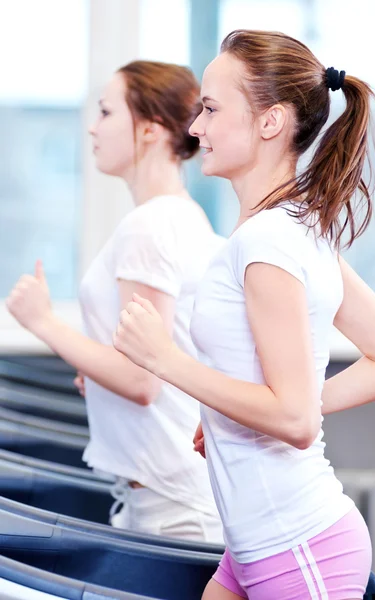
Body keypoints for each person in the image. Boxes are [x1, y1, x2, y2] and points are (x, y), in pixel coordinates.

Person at [112, 30, 375, 599]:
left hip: (297, 546)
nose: (196, 128)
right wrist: (237, 410)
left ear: (270, 122)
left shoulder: (269, 242)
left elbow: (294, 421)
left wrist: (165, 360)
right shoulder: (291, 228)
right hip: (253, 547)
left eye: (212, 109)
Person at [6, 59, 224, 543]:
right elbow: (153, 366)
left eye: (106, 112)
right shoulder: (179, 218)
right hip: (166, 499)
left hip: (175, 508)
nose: (92, 126)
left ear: (149, 130)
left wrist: (42, 321)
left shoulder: (150, 227)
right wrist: (102, 374)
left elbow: (142, 378)